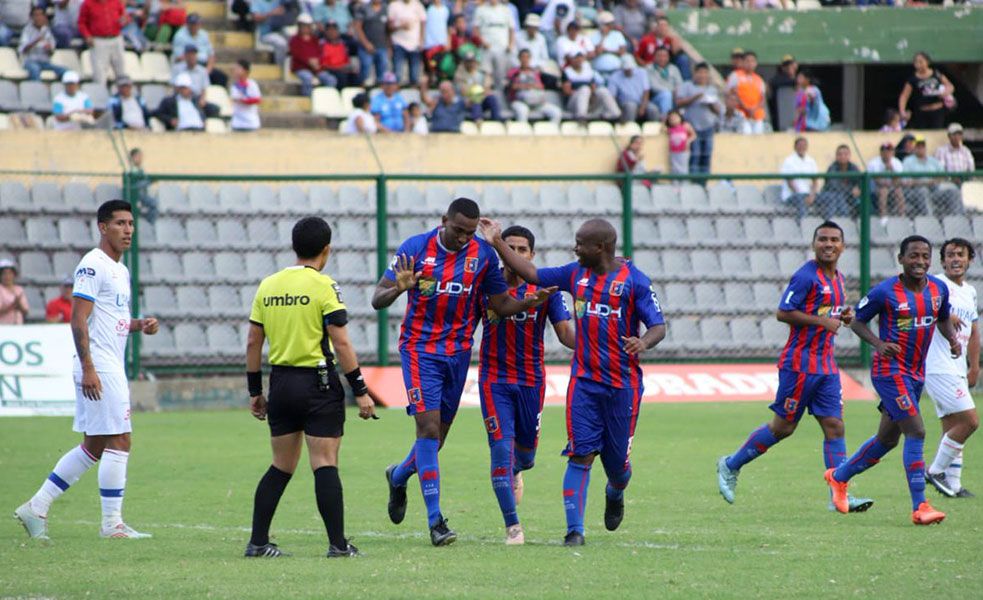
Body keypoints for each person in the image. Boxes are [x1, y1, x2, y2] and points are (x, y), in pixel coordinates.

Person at [376, 198, 556, 546]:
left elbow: (501, 305)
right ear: (444, 220)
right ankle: (436, 521)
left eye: (470, 233)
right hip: (419, 351)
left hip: (458, 355)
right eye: (458, 230)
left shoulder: (483, 256)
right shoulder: (415, 249)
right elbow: (376, 298)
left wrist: (526, 303)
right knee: (427, 429)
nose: (463, 238)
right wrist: (398, 287)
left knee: (438, 438)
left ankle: (398, 476)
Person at [479, 217, 666, 546]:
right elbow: (534, 274)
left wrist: (644, 342)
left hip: (623, 386)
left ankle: (615, 492)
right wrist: (496, 242)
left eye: (580, 243)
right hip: (584, 383)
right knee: (580, 455)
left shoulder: (635, 281)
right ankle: (574, 531)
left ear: (601, 248)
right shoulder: (573, 274)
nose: (575, 248)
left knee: (617, 467)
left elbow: (657, 325)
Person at [14, 200, 159, 541]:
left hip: (109, 363)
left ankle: (36, 506)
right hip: (100, 366)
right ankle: (112, 525)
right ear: (102, 227)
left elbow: (111, 319)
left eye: (131, 224)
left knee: (94, 445)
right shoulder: (92, 265)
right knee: (120, 439)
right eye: (120, 223)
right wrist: (90, 368)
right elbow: (78, 319)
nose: (128, 230)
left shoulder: (120, 270)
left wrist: (139, 324)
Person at [242, 216, 375, 558]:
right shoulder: (324, 286)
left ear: (294, 246)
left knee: (281, 465)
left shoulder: (268, 285)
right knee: (325, 462)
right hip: (317, 383)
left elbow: (253, 342)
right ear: (326, 250)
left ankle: (258, 542)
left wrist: (255, 390)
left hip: (281, 383)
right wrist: (360, 390)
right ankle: (338, 544)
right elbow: (341, 343)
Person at [718, 221, 874, 510]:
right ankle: (730, 464)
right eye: (823, 239)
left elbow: (826, 311)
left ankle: (838, 496)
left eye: (834, 240)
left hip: (826, 364)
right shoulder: (805, 276)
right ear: (814, 244)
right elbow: (783, 312)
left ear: (843, 246)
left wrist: (843, 316)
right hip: (800, 364)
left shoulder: (838, 278)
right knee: (783, 428)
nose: (828, 244)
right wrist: (822, 321)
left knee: (834, 426)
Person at [826, 236, 960, 526]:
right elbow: (857, 320)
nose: (920, 262)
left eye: (925, 256)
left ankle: (838, 477)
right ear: (901, 259)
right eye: (914, 256)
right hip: (889, 373)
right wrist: (878, 343)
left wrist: (952, 339)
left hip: (915, 374)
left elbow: (943, 317)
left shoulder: (938, 289)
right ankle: (920, 506)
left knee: (887, 440)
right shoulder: (885, 292)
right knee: (917, 431)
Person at [477, 225, 575, 544]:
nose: (516, 255)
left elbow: (565, 334)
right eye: (511, 248)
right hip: (494, 380)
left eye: (522, 250)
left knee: (526, 457)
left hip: (532, 381)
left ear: (531, 256)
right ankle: (513, 527)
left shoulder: (547, 290)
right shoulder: (485, 285)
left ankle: (516, 470)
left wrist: (600, 340)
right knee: (500, 450)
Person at [924, 238, 979, 499]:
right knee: (970, 421)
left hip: (957, 366)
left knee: (952, 428)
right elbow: (923, 308)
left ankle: (953, 486)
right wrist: (943, 314)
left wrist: (975, 366)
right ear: (943, 261)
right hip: (938, 365)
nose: (956, 259)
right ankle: (934, 471)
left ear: (970, 259)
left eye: (961, 254)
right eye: (950, 255)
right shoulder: (935, 285)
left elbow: (974, 330)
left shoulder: (970, 291)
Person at [675, 62, 721, 175]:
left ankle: (704, 183)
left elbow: (718, 110)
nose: (702, 75)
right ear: (694, 73)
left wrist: (710, 103)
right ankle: (694, 183)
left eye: (705, 73)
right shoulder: (687, 86)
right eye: (700, 72)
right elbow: (679, 103)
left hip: (708, 126)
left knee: (706, 156)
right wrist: (695, 98)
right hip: (692, 127)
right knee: (695, 155)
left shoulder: (712, 89)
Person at [78, 0, 128, 88]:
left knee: (121, 71)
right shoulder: (88, 4)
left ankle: (121, 98)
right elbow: (81, 23)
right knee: (99, 74)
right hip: (98, 40)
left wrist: (124, 20)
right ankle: (100, 96)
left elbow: (124, 16)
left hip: (116, 38)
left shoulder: (116, 2)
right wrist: (87, 36)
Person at [898, 52, 953, 130]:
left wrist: (945, 92)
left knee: (936, 134)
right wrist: (902, 111)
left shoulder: (936, 74)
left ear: (927, 62)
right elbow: (904, 96)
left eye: (921, 62)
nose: (918, 64)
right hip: (922, 112)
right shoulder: (913, 79)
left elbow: (950, 86)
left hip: (937, 111)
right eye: (916, 62)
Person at [170, 13, 227, 87]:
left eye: (196, 24)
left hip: (204, 65)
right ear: (187, 24)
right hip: (187, 65)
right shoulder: (180, 36)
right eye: (192, 24)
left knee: (221, 77)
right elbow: (179, 57)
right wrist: (193, 63)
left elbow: (211, 55)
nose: (194, 26)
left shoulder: (204, 34)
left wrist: (208, 70)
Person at [506, 49, 561, 124]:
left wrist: (530, 86)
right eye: (523, 57)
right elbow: (512, 86)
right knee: (522, 111)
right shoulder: (514, 71)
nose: (525, 59)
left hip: (537, 102)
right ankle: (523, 133)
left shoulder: (535, 71)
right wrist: (527, 86)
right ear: (519, 58)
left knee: (556, 112)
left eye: (527, 57)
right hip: (520, 102)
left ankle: (550, 133)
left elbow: (541, 87)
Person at [562, 52, 619, 122]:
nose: (578, 60)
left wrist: (590, 94)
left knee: (602, 90)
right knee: (585, 89)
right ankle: (581, 117)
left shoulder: (588, 72)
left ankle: (615, 114)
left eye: (580, 58)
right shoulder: (567, 72)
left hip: (589, 101)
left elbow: (593, 87)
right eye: (576, 58)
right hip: (573, 104)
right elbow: (566, 92)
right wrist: (582, 93)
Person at [902, 136, 950, 216]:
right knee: (923, 191)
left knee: (953, 192)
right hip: (915, 191)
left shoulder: (933, 160)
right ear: (914, 148)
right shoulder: (908, 161)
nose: (920, 148)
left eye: (922, 146)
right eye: (918, 146)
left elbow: (943, 176)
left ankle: (958, 218)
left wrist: (934, 181)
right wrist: (925, 182)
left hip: (934, 190)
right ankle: (929, 219)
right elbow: (907, 182)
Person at [934, 122, 975, 213]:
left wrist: (966, 178)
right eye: (954, 134)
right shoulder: (941, 151)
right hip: (947, 183)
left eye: (959, 134)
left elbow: (971, 170)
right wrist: (951, 179)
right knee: (954, 190)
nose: (957, 137)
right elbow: (940, 172)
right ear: (949, 136)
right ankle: (958, 218)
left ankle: (972, 216)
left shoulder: (966, 151)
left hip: (964, 182)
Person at [473, 0, 513, 90]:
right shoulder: (480, 9)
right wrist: (483, 42)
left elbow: (511, 29)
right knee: (486, 73)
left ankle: (501, 95)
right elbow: (475, 29)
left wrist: (510, 44)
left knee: (501, 75)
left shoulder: (506, 10)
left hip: (502, 46)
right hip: (487, 47)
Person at [19, 7, 66, 82]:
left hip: (45, 62)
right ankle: (37, 92)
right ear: (31, 17)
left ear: (44, 17)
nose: (38, 18)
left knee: (65, 71)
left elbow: (51, 52)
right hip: (30, 62)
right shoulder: (27, 30)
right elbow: (22, 49)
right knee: (35, 70)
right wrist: (35, 41)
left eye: (40, 15)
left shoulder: (47, 31)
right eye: (36, 15)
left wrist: (49, 49)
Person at [606, 54, 657, 124]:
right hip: (624, 104)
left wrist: (643, 106)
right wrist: (618, 110)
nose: (629, 70)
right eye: (626, 69)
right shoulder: (614, 77)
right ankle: (629, 130)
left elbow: (646, 91)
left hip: (641, 101)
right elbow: (612, 97)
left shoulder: (642, 72)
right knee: (631, 107)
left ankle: (655, 131)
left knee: (653, 109)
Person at [454, 50, 502, 123]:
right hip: (468, 102)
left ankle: (496, 121)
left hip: (482, 99)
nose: (471, 64)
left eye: (472, 61)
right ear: (464, 63)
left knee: (492, 98)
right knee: (475, 100)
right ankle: (478, 121)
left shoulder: (482, 74)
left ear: (476, 62)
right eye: (468, 62)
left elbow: (487, 88)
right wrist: (475, 94)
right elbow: (463, 91)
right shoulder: (460, 75)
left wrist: (483, 93)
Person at [634, 16, 689, 80]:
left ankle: (686, 83)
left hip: (666, 68)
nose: (663, 28)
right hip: (651, 68)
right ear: (656, 27)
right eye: (661, 25)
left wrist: (674, 39)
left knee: (683, 59)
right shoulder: (646, 40)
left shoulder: (670, 40)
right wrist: (646, 66)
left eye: (665, 26)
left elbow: (675, 52)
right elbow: (637, 56)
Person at [290, 14, 332, 96]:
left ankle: (325, 99)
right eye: (303, 25)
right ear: (299, 26)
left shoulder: (315, 39)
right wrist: (309, 62)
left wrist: (317, 62)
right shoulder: (294, 40)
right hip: (301, 68)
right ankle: (308, 100)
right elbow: (297, 54)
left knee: (330, 79)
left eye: (308, 26)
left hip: (316, 68)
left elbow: (320, 53)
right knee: (307, 78)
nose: (306, 28)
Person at [815, 145, 860, 220]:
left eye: (845, 154)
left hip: (848, 197)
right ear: (836, 156)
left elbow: (860, 182)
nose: (842, 156)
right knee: (837, 197)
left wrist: (858, 188)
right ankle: (839, 220)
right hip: (831, 195)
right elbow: (834, 186)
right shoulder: (832, 168)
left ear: (849, 155)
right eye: (840, 154)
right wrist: (851, 190)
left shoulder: (853, 167)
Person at [726, 50, 766, 135]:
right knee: (745, 135)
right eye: (747, 61)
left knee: (758, 138)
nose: (750, 63)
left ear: (756, 63)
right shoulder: (735, 76)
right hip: (741, 115)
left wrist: (754, 109)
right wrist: (745, 107)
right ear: (743, 62)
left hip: (757, 115)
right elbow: (730, 94)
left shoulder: (759, 79)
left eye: (752, 61)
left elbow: (762, 98)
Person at [388, 0, 426, 85]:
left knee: (415, 76)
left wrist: (421, 40)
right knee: (398, 75)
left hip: (414, 44)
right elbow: (388, 27)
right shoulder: (394, 5)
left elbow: (423, 23)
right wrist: (400, 26)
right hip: (398, 43)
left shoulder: (418, 5)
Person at [779, 137, 818, 219]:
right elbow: (790, 183)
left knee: (827, 198)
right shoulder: (789, 161)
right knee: (801, 201)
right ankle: (802, 225)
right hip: (792, 195)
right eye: (799, 145)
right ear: (795, 147)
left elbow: (815, 181)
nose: (802, 147)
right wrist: (803, 196)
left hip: (808, 194)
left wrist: (812, 195)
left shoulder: (811, 161)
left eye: (804, 145)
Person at [867, 142, 906, 223]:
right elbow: (875, 180)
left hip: (893, 186)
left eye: (889, 151)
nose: (887, 153)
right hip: (876, 188)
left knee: (898, 191)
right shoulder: (873, 163)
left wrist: (891, 170)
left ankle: (902, 216)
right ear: (881, 152)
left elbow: (898, 181)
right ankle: (883, 216)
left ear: (893, 152)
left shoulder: (896, 162)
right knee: (883, 191)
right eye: (884, 151)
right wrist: (885, 170)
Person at [353, 0, 389, 85]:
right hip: (366, 47)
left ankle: (380, 92)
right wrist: (366, 43)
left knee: (383, 72)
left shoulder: (386, 8)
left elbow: (388, 29)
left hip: (382, 45)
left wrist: (389, 46)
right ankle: (361, 91)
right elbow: (358, 27)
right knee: (365, 70)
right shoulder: (363, 8)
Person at [251, 0, 291, 67]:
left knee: (294, 40)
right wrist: (271, 13)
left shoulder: (278, 1)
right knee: (281, 43)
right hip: (266, 34)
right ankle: (280, 68)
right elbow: (256, 18)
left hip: (280, 30)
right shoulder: (257, 2)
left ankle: (290, 66)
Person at [319, 20, 356, 89]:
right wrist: (338, 68)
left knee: (354, 76)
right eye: (329, 30)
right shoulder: (321, 44)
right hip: (330, 70)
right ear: (326, 32)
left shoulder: (343, 44)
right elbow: (323, 65)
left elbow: (346, 61)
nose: (332, 32)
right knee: (341, 77)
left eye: (334, 30)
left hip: (342, 69)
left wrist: (348, 68)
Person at [590, 11, 627, 78]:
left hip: (616, 71)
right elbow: (597, 52)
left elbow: (622, 52)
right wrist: (603, 37)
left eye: (611, 23)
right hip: (599, 71)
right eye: (607, 24)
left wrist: (607, 50)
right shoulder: (594, 36)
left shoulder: (617, 34)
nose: (610, 26)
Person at [647, 47, 681, 118]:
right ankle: (666, 120)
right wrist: (672, 91)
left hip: (674, 97)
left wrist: (676, 92)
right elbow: (653, 87)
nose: (662, 58)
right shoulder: (649, 68)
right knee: (666, 94)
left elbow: (679, 84)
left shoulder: (673, 68)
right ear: (654, 57)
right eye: (659, 56)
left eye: (665, 56)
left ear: (668, 57)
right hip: (655, 98)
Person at [230, 59, 262, 131]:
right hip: (237, 122)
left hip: (251, 122)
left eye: (238, 68)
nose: (236, 71)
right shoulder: (234, 86)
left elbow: (258, 99)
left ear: (245, 70)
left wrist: (244, 100)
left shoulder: (252, 84)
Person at [768, 54, 796, 132]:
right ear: (782, 67)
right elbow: (773, 82)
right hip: (782, 117)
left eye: (791, 64)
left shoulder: (801, 78)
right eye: (786, 65)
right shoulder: (778, 79)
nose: (789, 67)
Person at [666, 109, 695, 176]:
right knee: (674, 168)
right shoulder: (670, 129)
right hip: (673, 151)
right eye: (671, 119)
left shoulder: (686, 126)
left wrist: (688, 141)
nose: (673, 120)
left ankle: (684, 183)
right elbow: (662, 129)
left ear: (680, 118)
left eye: (675, 117)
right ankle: (675, 183)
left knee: (683, 168)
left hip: (684, 151)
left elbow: (693, 135)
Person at [0, 258, 29, 325]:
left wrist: (19, 305)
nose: (7, 276)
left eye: (10, 273)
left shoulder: (19, 289)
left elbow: (25, 311)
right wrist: (13, 305)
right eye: (4, 274)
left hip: (17, 326)